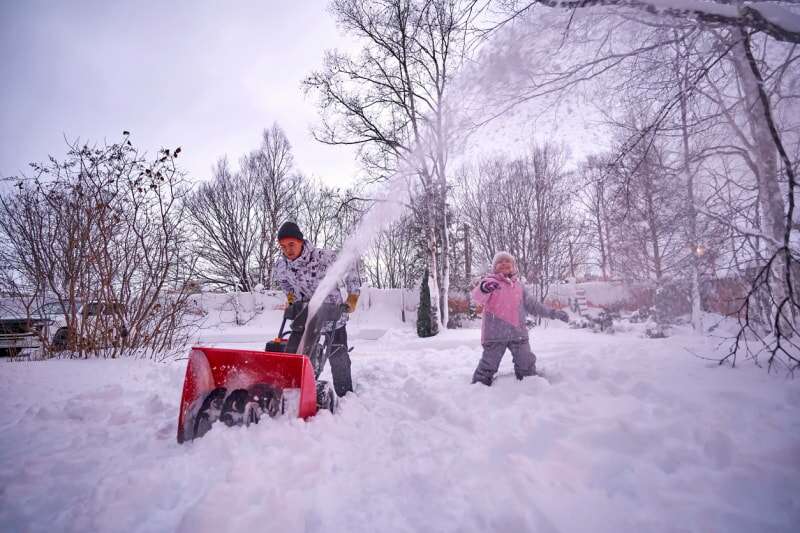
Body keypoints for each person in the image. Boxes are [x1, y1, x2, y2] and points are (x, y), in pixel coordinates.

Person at [274, 221, 361, 397]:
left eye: (291, 244)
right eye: (283, 246)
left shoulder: (323, 257)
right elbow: (283, 281)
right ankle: (298, 394)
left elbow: (351, 264)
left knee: (337, 355)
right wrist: (291, 297)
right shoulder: (282, 265)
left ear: (301, 241)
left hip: (332, 314)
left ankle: (345, 396)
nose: (287, 250)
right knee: (299, 356)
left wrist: (353, 296)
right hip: (305, 315)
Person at [471, 251, 569, 386]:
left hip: (518, 333)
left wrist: (552, 313)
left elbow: (534, 306)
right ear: (494, 268)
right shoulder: (490, 282)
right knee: (489, 363)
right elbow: (477, 297)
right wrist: (484, 288)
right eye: (500, 262)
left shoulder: (519, 287)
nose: (504, 263)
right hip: (495, 334)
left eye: (507, 261)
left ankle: (529, 383)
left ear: (514, 267)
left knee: (526, 362)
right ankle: (479, 386)